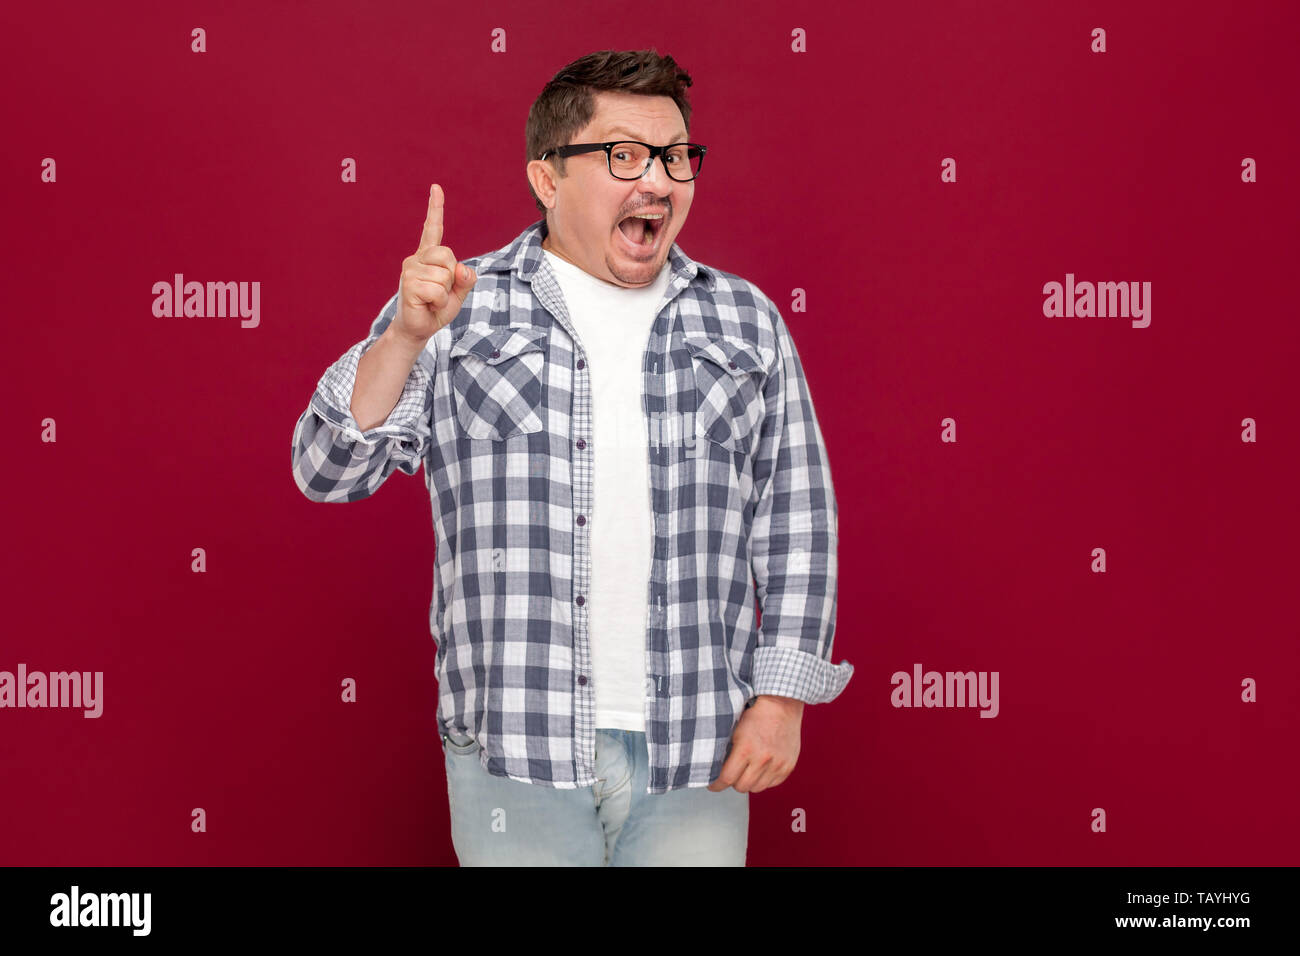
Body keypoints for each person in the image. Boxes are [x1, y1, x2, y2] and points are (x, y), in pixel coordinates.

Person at [290, 48, 853, 866]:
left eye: (674, 156)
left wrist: (783, 700)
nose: (657, 180)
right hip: (514, 748)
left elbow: (797, 519)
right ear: (548, 179)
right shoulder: (458, 308)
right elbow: (326, 469)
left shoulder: (745, 321)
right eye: (623, 155)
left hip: (695, 749)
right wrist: (407, 337)